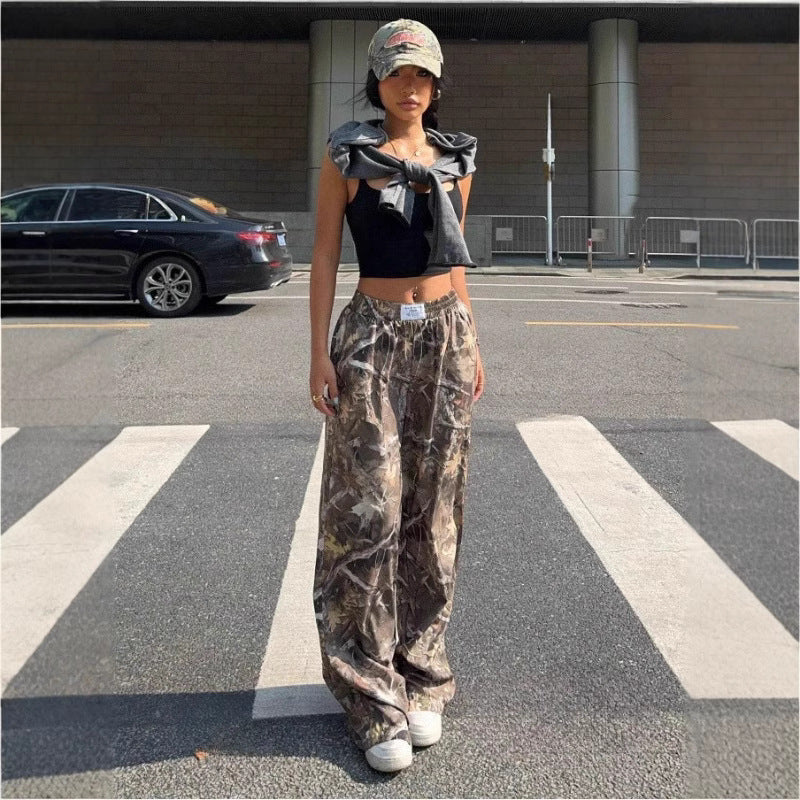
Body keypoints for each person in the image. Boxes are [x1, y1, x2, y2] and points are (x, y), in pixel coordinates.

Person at [308, 18, 484, 773]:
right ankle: (367, 692)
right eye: (396, 74)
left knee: (434, 511)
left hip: (443, 335)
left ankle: (421, 675)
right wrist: (318, 351)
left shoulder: (456, 160)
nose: (409, 88)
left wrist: (473, 339)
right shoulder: (348, 158)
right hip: (371, 337)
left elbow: (455, 257)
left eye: (422, 75)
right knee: (368, 511)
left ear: (436, 84)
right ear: (377, 82)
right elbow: (323, 254)